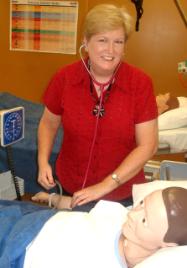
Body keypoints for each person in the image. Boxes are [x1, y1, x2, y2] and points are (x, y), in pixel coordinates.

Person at [37, 3, 158, 211]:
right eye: (102, 40)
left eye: (118, 42)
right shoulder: (65, 78)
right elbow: (48, 123)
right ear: (85, 41)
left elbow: (148, 145)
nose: (110, 50)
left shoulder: (139, 84)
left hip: (122, 194)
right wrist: (42, 160)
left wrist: (104, 186)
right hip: (71, 186)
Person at [24, 187, 187, 268]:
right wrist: (51, 198)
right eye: (142, 203)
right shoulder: (117, 211)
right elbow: (77, 206)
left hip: (18, 251)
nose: (132, 214)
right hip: (35, 217)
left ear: (168, 244)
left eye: (145, 220)